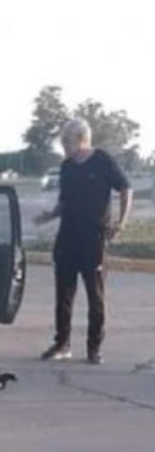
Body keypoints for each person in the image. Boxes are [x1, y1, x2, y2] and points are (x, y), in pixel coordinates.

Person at [34, 118, 133, 364]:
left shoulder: (102, 161)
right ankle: (62, 344)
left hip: (94, 238)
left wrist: (121, 222)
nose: (63, 146)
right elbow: (65, 201)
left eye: (65, 141)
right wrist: (49, 215)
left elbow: (126, 188)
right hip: (68, 237)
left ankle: (94, 347)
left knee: (95, 295)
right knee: (64, 294)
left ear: (79, 139)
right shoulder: (67, 167)